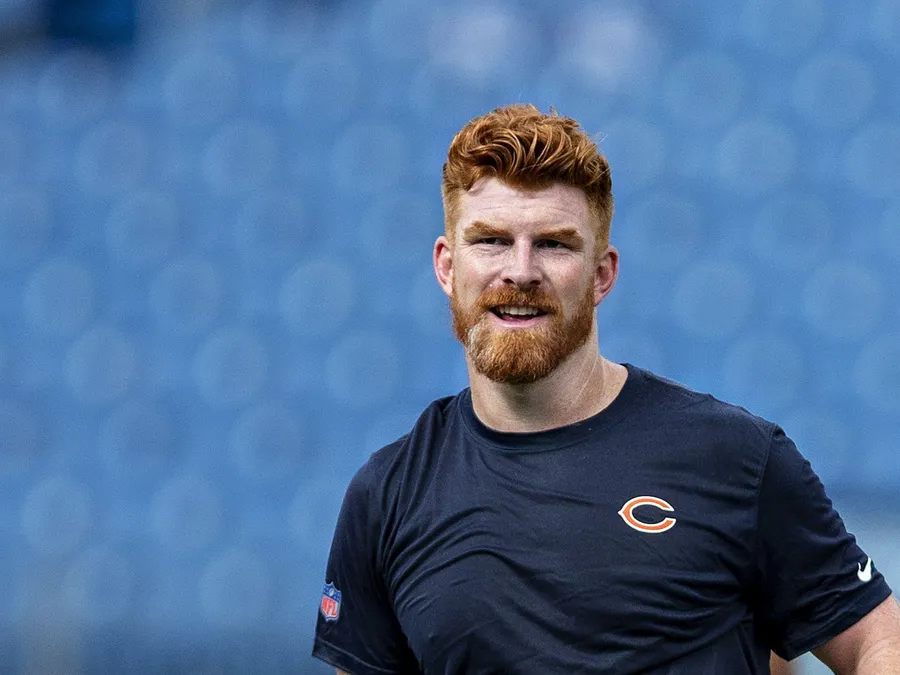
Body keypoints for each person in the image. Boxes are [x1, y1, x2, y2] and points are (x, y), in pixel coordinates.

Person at [312, 104, 900, 674]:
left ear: (602, 274)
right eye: (490, 240)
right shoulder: (387, 497)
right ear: (447, 266)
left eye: (554, 244)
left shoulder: (736, 459)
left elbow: (876, 641)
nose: (520, 271)